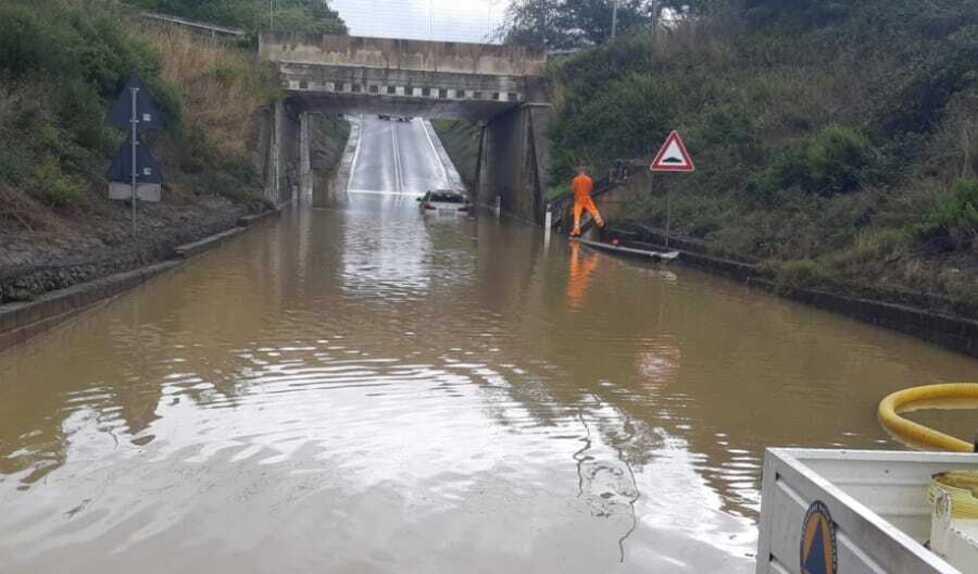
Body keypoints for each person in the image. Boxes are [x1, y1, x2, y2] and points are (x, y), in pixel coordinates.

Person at [570, 166, 604, 237]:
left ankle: (576, 230)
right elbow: (591, 188)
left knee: (577, 214)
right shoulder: (589, 179)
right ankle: (600, 222)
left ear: (579, 172)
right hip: (587, 198)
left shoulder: (575, 180)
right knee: (593, 210)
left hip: (579, 199)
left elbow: (573, 189)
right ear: (585, 172)